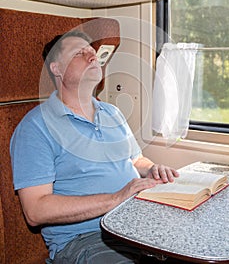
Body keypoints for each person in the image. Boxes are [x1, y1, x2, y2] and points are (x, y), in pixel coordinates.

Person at [10, 28, 179, 263]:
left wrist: (153, 170)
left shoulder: (113, 112)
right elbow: (35, 211)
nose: (92, 56)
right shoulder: (36, 127)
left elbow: (135, 160)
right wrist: (117, 197)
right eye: (79, 53)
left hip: (136, 224)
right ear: (56, 68)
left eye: (92, 51)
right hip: (86, 239)